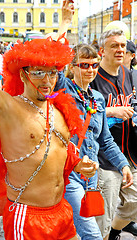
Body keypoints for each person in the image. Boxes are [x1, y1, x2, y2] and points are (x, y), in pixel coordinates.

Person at [0, 36, 100, 240]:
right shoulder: (9, 107)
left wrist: (79, 164)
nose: (47, 81)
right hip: (26, 217)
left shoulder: (60, 110)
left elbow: (60, 150)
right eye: (39, 73)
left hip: (62, 212)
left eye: (52, 73)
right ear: (23, 75)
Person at [54, 43, 133, 240]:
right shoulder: (64, 90)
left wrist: (123, 164)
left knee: (76, 230)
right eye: (84, 65)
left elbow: (105, 139)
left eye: (94, 65)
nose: (90, 70)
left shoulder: (97, 99)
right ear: (71, 67)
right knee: (92, 234)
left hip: (90, 177)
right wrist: (64, 23)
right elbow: (54, 61)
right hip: (68, 173)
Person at [90, 29, 137, 240]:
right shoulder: (93, 76)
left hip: (131, 154)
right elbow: (81, 110)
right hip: (104, 158)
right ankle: (106, 233)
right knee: (102, 217)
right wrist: (110, 111)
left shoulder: (129, 75)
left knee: (135, 202)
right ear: (102, 51)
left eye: (122, 46)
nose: (120, 50)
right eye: (114, 46)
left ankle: (115, 232)